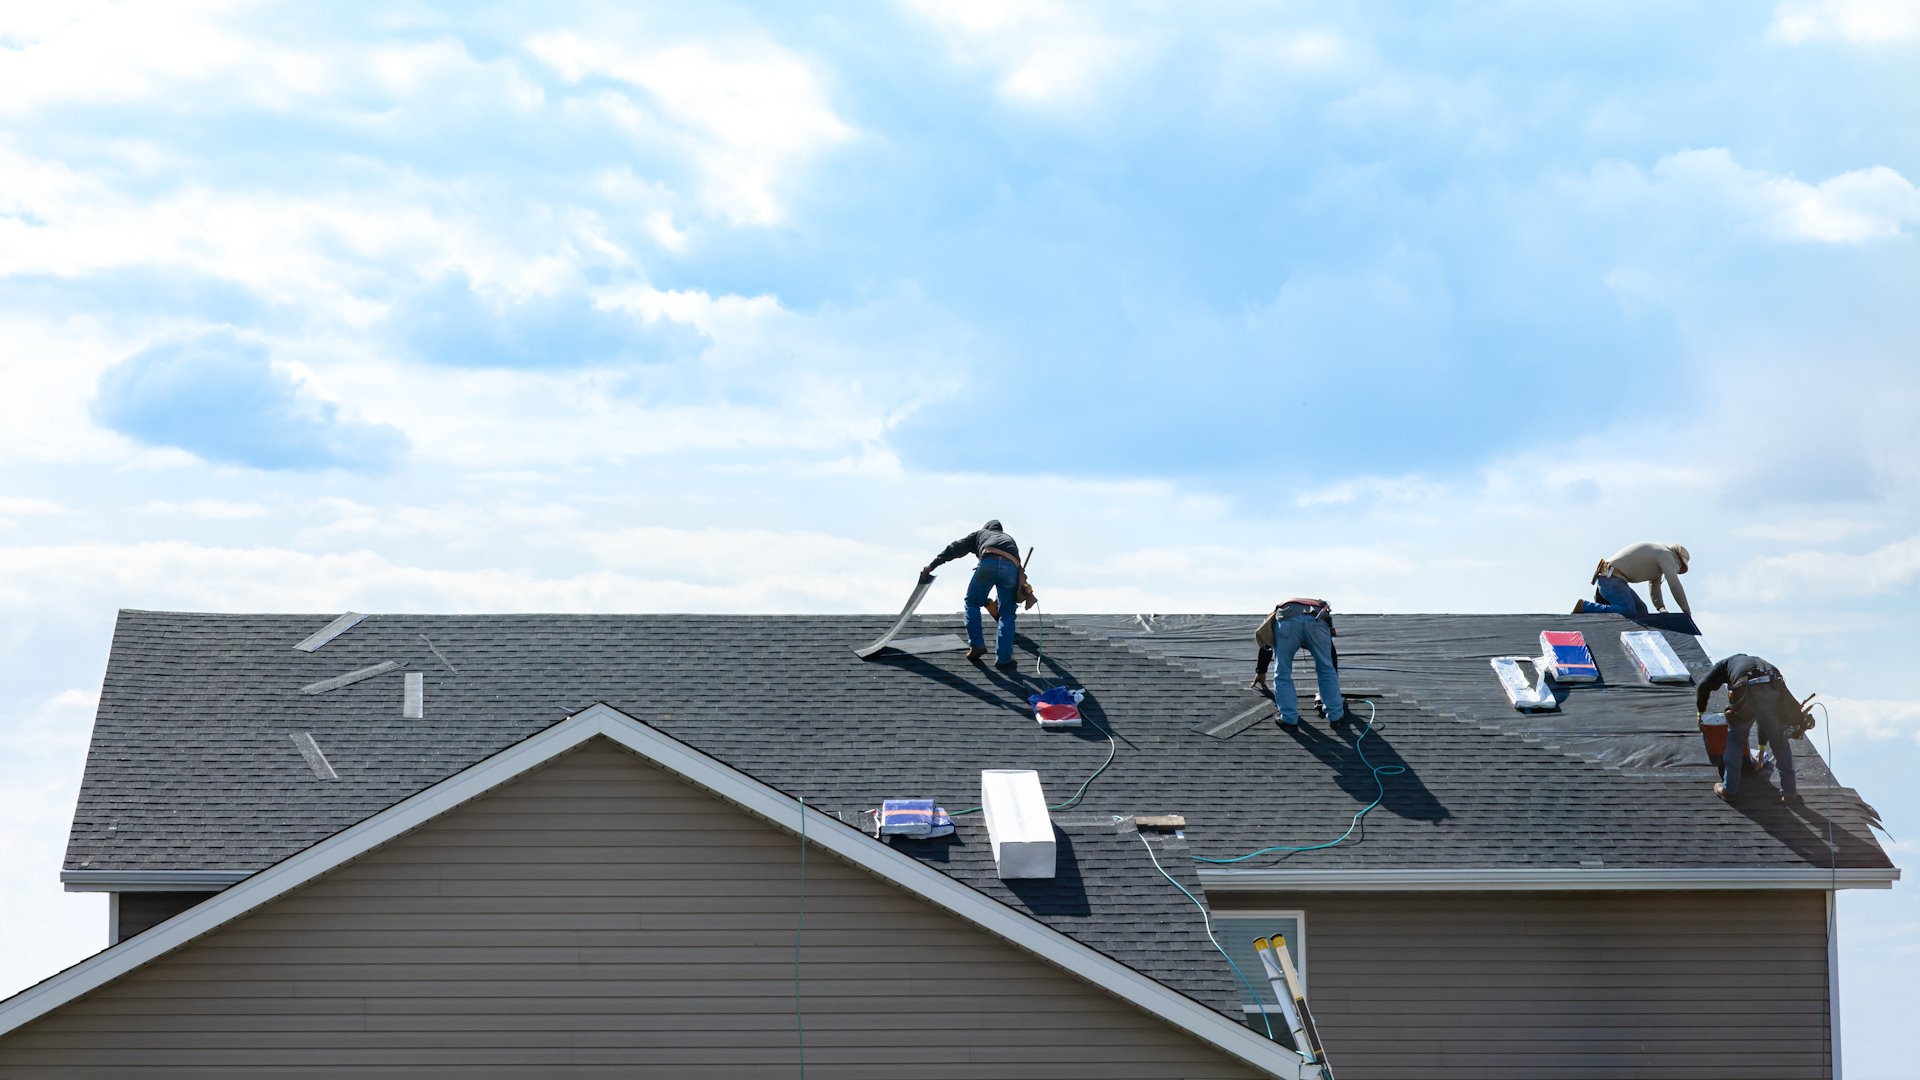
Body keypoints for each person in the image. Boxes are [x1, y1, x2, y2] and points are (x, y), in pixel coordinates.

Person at [1696, 653, 1801, 806]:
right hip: (1774, 688)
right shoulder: (1760, 663)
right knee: (1780, 743)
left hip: (1747, 690)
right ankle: (1790, 792)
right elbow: (1764, 719)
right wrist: (1761, 750)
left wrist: (1700, 713)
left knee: (1736, 740)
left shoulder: (1724, 665)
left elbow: (1703, 685)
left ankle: (1729, 790)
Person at [923, 520, 1024, 669]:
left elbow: (954, 549)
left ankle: (977, 645)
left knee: (972, 602)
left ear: (986, 529)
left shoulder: (980, 534)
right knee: (1007, 614)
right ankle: (1003, 658)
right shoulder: (1009, 539)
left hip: (989, 560)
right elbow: (1007, 572)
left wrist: (932, 565)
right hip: (1012, 567)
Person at [1249, 598, 1346, 726]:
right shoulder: (1317, 624)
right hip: (1317, 619)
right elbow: (1330, 657)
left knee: (1282, 672)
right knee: (1326, 669)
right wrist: (1333, 686)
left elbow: (1267, 643)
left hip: (1287, 619)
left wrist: (1261, 671)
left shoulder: (1279, 614)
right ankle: (1336, 716)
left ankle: (1289, 719)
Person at [1575, 542, 1692, 616]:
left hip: (1613, 579)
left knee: (1641, 612)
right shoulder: (1666, 555)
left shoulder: (1660, 555)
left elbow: (1654, 586)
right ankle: (1585, 607)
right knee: (1629, 611)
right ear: (1678, 560)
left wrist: (1661, 608)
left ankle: (1601, 611)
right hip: (1611, 579)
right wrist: (1686, 611)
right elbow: (1674, 584)